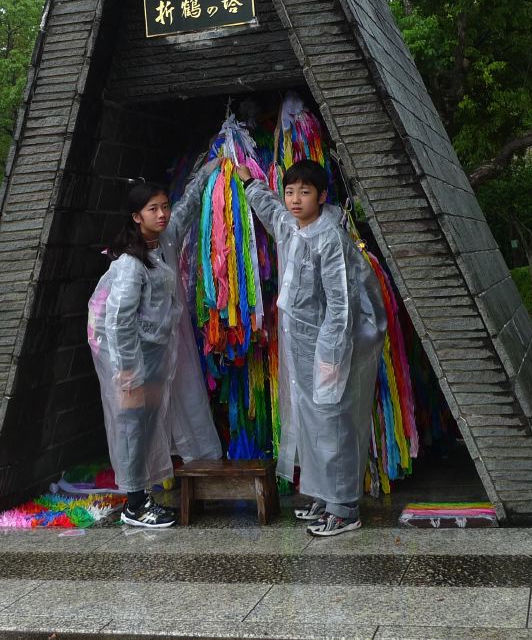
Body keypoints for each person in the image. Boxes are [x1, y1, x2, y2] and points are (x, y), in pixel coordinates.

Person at [234, 159, 385, 536]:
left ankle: (344, 506)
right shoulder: (292, 226)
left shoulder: (329, 237)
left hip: (327, 345)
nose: (295, 199)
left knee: (333, 422)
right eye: (290, 191)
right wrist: (251, 181)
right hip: (297, 345)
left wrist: (331, 356)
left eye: (305, 191)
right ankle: (322, 492)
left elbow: (341, 304)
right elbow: (271, 210)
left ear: (321, 195)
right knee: (309, 421)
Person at [87, 162, 220, 528]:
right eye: (153, 209)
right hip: (130, 361)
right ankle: (134, 504)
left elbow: (189, 205)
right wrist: (127, 375)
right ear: (135, 216)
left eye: (164, 206)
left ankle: (142, 497)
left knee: (146, 427)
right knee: (132, 426)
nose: (162, 214)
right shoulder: (132, 264)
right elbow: (117, 322)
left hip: (152, 356)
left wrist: (210, 169)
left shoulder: (163, 242)